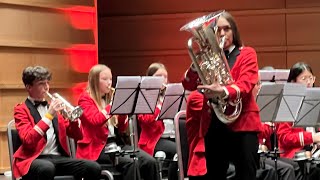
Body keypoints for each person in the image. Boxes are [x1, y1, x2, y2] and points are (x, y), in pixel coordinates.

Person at [182, 11, 261, 180]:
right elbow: (188, 84)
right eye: (219, 30)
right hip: (215, 124)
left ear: (234, 32)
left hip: (243, 125)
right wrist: (196, 64)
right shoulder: (209, 58)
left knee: (246, 175)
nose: (223, 33)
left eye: (227, 29)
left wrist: (223, 91)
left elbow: (246, 85)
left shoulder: (246, 53)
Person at [13, 66, 101, 180]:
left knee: (93, 167)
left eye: (47, 83)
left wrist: (73, 119)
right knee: (47, 168)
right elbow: (28, 141)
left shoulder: (55, 109)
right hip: (33, 160)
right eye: (41, 83)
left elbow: (78, 136)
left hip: (58, 158)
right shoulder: (21, 110)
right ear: (29, 87)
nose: (46, 87)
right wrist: (49, 115)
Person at [76, 64, 159, 180]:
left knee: (150, 161)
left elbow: (121, 128)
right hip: (97, 148)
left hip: (116, 144)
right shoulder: (85, 99)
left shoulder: (110, 98)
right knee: (131, 163)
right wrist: (113, 106)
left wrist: (123, 111)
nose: (109, 83)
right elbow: (95, 121)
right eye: (104, 79)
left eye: (110, 79)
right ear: (94, 81)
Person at [277, 62, 320, 180]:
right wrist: (312, 137)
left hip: (312, 153)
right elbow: (284, 137)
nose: (309, 82)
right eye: (304, 78)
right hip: (294, 156)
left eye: (311, 78)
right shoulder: (287, 103)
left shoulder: (317, 99)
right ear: (293, 82)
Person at [137, 62, 178, 180]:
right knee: (179, 152)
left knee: (187, 150)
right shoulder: (144, 97)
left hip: (173, 137)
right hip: (156, 140)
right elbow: (145, 120)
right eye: (158, 76)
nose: (163, 79)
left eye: (165, 76)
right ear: (150, 79)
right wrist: (160, 107)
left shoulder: (171, 95)